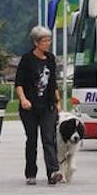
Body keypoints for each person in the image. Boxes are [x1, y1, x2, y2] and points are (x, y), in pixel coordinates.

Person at [13, 25, 62, 185]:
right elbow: (19, 83)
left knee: (48, 138)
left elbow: (53, 83)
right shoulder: (27, 59)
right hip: (30, 107)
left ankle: (53, 172)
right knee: (32, 139)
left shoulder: (51, 59)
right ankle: (31, 172)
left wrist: (58, 102)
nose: (47, 43)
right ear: (36, 42)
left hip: (47, 106)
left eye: (49, 40)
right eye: (44, 40)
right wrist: (23, 99)